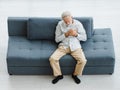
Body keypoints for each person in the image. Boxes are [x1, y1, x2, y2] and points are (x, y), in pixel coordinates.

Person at [49, 11, 87, 84]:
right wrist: (65, 35)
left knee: (83, 61)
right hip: (64, 46)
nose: (67, 23)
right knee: (52, 59)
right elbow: (57, 40)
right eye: (65, 22)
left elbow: (84, 38)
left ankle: (75, 75)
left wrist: (76, 35)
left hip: (75, 47)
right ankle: (59, 75)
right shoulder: (60, 24)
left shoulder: (78, 24)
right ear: (63, 20)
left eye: (68, 21)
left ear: (72, 17)